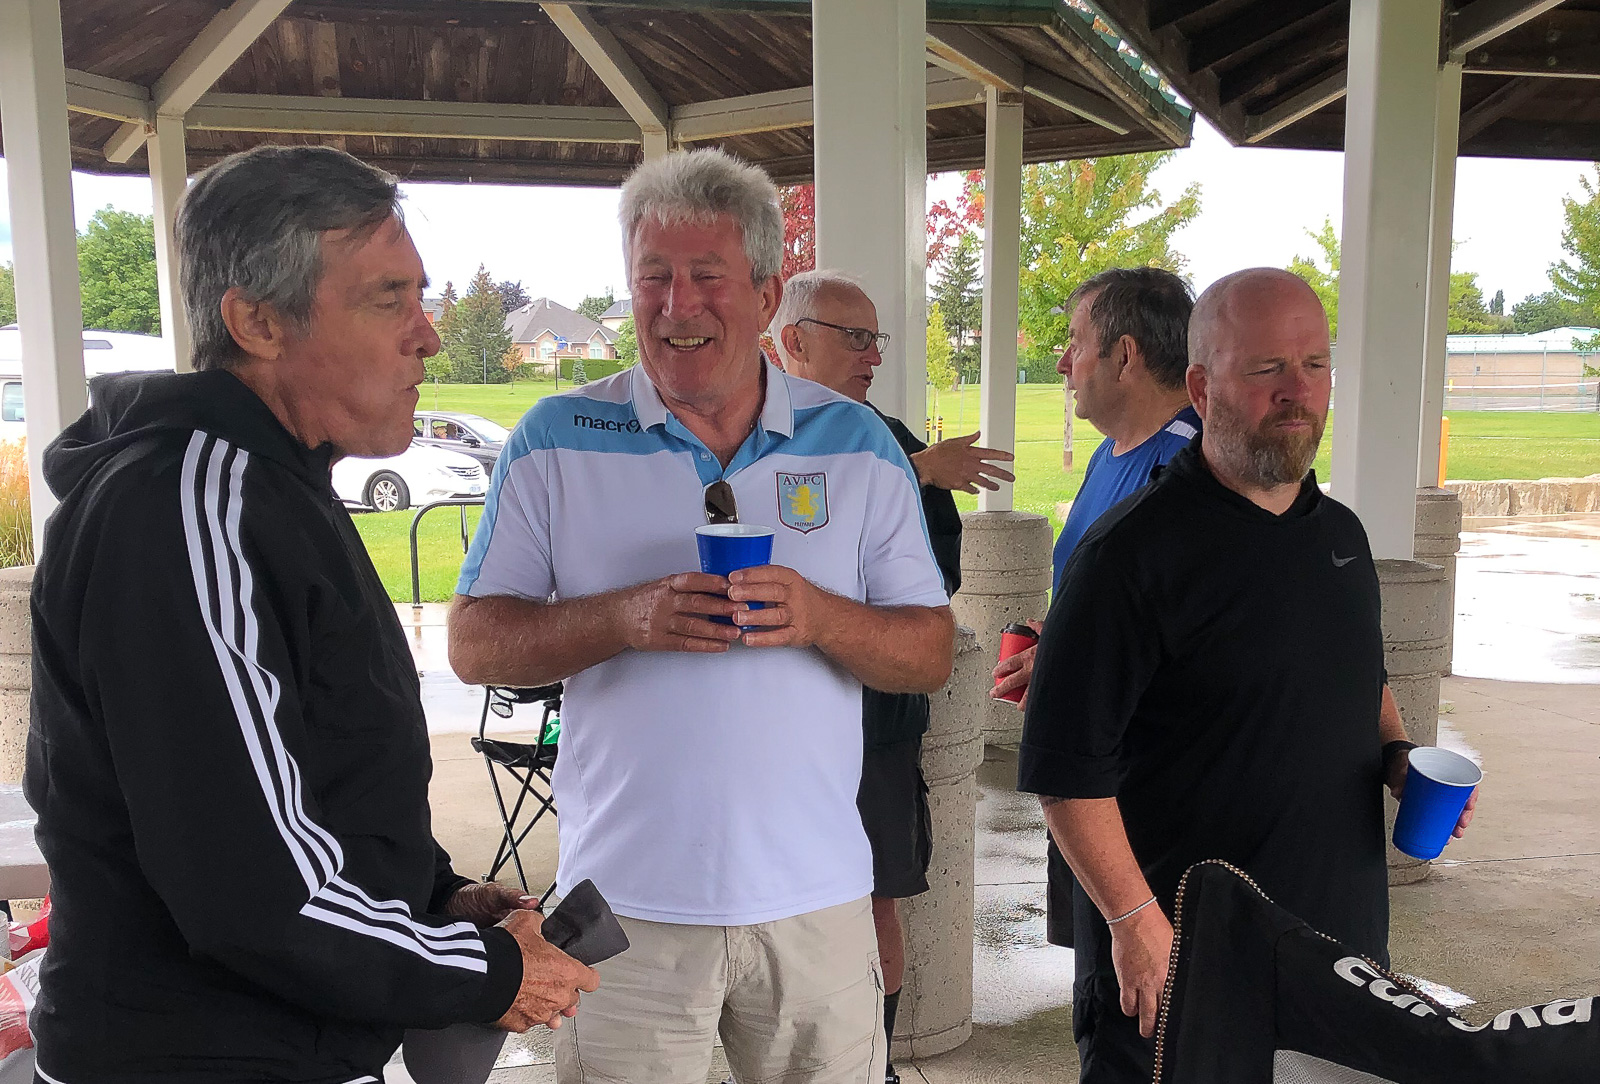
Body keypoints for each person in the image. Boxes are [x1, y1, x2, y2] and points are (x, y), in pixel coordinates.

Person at [24, 145, 598, 1084]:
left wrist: (436, 895)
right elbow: (246, 884)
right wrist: (489, 973)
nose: (429, 335)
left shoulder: (276, 488)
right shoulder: (183, 509)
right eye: (388, 299)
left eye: (422, 296)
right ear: (257, 321)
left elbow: (316, 771)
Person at [447, 149, 955, 1084]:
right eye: (654, 277)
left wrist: (819, 617)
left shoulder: (857, 443)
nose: (677, 306)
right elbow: (476, 644)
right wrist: (625, 618)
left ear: (766, 296)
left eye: (707, 277)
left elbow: (928, 654)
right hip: (622, 906)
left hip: (816, 902)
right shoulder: (555, 436)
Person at [1016, 268, 1477, 1083]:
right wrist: (1134, 923)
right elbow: (1065, 772)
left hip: (1336, 957)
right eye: (1267, 369)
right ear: (1202, 386)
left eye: (1314, 365)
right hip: (1183, 965)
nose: (1297, 391)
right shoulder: (1130, 556)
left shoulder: (1340, 538)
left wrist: (1400, 755)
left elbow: (1357, 677)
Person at [771, 269, 1007, 1083]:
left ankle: (876, 1064)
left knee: (876, 899)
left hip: (876, 729)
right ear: (793, 340)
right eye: (856, 337)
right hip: (772, 735)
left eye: (877, 339)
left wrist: (909, 471)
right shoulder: (745, 433)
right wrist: (919, 469)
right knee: (774, 908)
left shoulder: (892, 437)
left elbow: (932, 587)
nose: (873, 355)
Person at [986, 267, 1198, 952]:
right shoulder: (1112, 453)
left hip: (1148, 791)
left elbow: (1193, 632)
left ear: (1125, 356)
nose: (1062, 363)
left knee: (1153, 985)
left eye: (1075, 343)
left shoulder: (1191, 467)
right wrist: (1058, 636)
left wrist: (1071, 658)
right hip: (1090, 770)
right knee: (1096, 975)